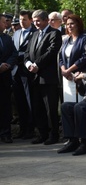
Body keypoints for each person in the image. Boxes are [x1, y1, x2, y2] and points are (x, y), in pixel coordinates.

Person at [24, 9, 62, 145]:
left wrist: (37, 64)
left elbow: (52, 51)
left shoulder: (54, 33)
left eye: (38, 21)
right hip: (34, 77)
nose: (36, 23)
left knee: (50, 108)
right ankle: (42, 133)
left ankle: (54, 134)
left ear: (46, 20)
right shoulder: (34, 35)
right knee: (37, 107)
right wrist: (28, 64)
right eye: (34, 21)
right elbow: (27, 52)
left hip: (48, 77)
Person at [12, 10, 36, 139]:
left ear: (31, 20)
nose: (22, 22)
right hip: (16, 71)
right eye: (20, 19)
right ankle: (22, 128)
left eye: (24, 19)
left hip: (28, 71)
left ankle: (31, 129)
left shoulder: (35, 33)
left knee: (29, 100)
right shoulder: (16, 34)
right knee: (19, 100)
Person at [59, 14, 86, 103]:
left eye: (72, 23)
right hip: (67, 77)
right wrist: (64, 71)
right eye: (67, 24)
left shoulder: (85, 38)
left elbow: (84, 57)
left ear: (78, 24)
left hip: (78, 75)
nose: (69, 26)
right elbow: (61, 57)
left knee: (79, 104)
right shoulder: (66, 39)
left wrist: (69, 70)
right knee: (68, 103)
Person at [0, 15, 17, 143]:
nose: (6, 23)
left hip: (5, 78)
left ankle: (6, 133)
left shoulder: (7, 38)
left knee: (5, 107)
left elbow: (14, 53)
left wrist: (8, 65)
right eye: (3, 21)